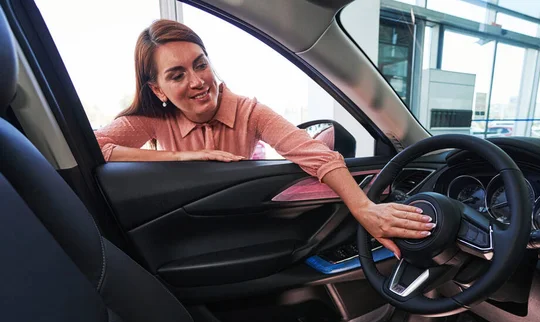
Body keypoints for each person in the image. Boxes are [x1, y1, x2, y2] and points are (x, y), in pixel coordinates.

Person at [95, 19, 435, 258]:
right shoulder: (154, 119)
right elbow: (95, 147)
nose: (197, 81)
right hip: (186, 229)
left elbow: (314, 152)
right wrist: (183, 158)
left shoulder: (248, 110)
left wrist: (364, 207)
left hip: (244, 222)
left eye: (200, 65)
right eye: (177, 74)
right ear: (158, 89)